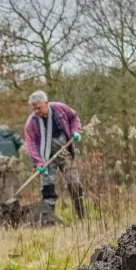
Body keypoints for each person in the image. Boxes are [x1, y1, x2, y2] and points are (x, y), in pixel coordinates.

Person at [23, 91, 84, 220]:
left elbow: (74, 118)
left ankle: (81, 216)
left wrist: (76, 131)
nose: (37, 111)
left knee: (74, 184)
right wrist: (38, 163)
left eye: (39, 108)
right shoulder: (31, 123)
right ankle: (48, 218)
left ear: (46, 103)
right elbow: (31, 145)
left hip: (65, 152)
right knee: (48, 188)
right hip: (46, 159)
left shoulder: (60, 109)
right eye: (34, 109)